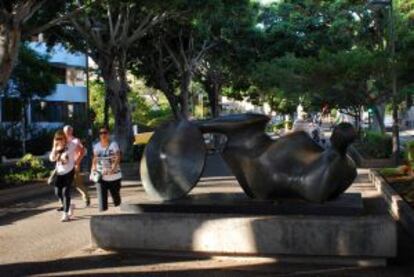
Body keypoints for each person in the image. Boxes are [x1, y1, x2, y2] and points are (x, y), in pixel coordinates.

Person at [91, 127, 122, 212]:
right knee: (102, 203)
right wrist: (93, 169)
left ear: (108, 134)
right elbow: (95, 158)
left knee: (116, 200)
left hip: (114, 177)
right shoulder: (96, 146)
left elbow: (118, 156)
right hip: (101, 177)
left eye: (105, 133)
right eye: (101, 133)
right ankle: (102, 218)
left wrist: (113, 168)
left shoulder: (113, 144)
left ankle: (119, 219)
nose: (103, 135)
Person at [49, 130, 77, 222]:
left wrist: (77, 160)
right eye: (57, 138)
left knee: (65, 192)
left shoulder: (70, 145)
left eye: (61, 138)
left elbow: (80, 147)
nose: (59, 140)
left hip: (69, 172)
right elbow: (51, 158)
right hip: (59, 173)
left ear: (64, 138)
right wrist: (54, 147)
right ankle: (69, 206)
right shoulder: (56, 148)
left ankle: (65, 214)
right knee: (57, 192)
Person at [63, 125, 90, 207]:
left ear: (72, 131)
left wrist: (77, 162)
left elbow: (82, 152)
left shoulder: (75, 141)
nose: (67, 132)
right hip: (64, 166)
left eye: (68, 130)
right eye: (66, 130)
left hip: (74, 166)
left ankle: (86, 197)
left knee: (77, 183)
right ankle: (64, 203)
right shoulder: (63, 141)